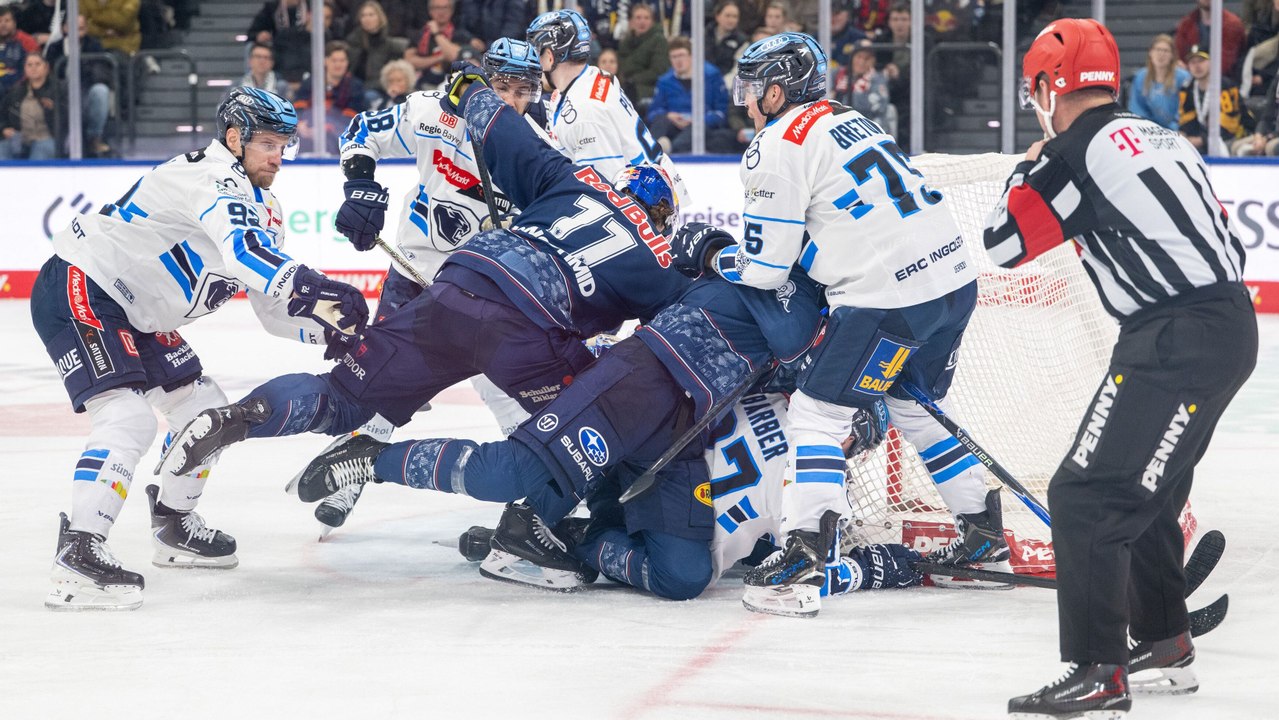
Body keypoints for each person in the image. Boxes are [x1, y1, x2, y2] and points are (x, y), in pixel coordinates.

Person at [156, 74, 692, 560]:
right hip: (526, 327)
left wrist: (472, 90)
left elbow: (494, 120)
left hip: (459, 282)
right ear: (662, 216)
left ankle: (237, 419)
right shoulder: (657, 257)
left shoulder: (569, 176)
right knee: (564, 433)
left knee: (346, 394)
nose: (520, 97)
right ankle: (529, 523)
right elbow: (679, 338)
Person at [669, 32, 1007, 617]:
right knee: (912, 407)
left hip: (891, 298)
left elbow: (766, 269)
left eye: (754, 89)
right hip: (954, 283)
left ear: (777, 90)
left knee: (817, 414)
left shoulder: (777, 144)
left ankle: (804, 553)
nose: (748, 102)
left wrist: (712, 253)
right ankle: (981, 532)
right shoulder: (850, 120)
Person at [990, 19, 1256, 717]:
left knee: (1084, 495)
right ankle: (1164, 640)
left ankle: (1097, 668)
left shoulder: (1072, 150)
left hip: (1172, 336)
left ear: (1049, 85)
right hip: (1225, 324)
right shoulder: (1165, 138)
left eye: (1035, 86)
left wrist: (1029, 161)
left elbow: (1001, 242)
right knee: (1150, 490)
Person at [32, 87, 369, 611]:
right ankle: (77, 552)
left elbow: (272, 310)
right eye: (266, 144)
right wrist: (314, 287)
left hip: (138, 310)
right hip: (85, 283)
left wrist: (334, 332)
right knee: (127, 421)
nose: (278, 157)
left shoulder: (265, 206)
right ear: (234, 139)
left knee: (207, 412)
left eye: (284, 144)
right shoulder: (209, 176)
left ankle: (172, 524)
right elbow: (243, 251)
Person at [311, 39, 550, 533]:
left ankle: (538, 493)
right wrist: (359, 187)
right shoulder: (432, 112)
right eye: (500, 87)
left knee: (505, 387)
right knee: (382, 378)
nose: (509, 101)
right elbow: (361, 132)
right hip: (416, 270)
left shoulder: (539, 146)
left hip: (485, 282)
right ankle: (349, 472)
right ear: (483, 82)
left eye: (521, 91)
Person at [526, 9, 689, 204]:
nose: (534, 63)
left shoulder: (585, 113)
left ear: (551, 56)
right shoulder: (595, 75)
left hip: (648, 205)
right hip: (657, 187)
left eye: (537, 53)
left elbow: (604, 196)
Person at [645, 36, 735, 153]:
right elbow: (652, 113)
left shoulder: (712, 76)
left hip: (702, 126)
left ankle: (671, 148)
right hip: (674, 125)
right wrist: (669, 115)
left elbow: (721, 113)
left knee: (693, 134)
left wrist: (698, 120)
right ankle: (652, 151)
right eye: (674, 57)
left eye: (681, 55)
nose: (678, 60)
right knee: (661, 121)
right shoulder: (664, 81)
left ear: (692, 56)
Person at [1178, 45, 1256, 154]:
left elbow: (1230, 125)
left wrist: (1202, 140)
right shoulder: (1187, 88)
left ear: (1211, 62)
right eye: (1193, 62)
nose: (1197, 66)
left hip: (1236, 137)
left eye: (1201, 61)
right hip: (1205, 139)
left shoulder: (1226, 86)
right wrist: (1186, 136)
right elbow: (1186, 119)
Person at [294, 41, 368, 153]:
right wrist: (300, 124)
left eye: (342, 60)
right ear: (325, 61)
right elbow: (298, 107)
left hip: (339, 135)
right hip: (307, 130)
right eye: (334, 60)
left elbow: (352, 118)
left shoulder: (355, 86)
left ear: (347, 62)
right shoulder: (310, 82)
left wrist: (327, 127)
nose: (338, 65)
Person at [344, 0, 409, 103]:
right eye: (363, 15)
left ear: (380, 17)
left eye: (371, 15)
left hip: (378, 88)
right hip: (354, 86)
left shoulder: (389, 44)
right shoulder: (353, 41)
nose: (367, 19)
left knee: (369, 97)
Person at [0, 53, 57, 160]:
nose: (33, 68)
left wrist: (53, 108)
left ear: (46, 67)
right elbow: (2, 115)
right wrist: (4, 129)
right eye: (29, 65)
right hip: (19, 139)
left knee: (41, 151)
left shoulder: (59, 89)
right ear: (25, 69)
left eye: (37, 64)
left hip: (47, 138)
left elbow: (69, 118)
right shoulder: (16, 91)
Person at [404, 0, 472, 90]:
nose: (441, 12)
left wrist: (437, 34)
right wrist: (439, 57)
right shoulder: (420, 33)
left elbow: (454, 56)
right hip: (422, 83)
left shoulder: (460, 34)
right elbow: (409, 60)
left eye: (445, 8)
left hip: (450, 84)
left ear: (452, 11)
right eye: (437, 8)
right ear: (430, 11)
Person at [1129, 34, 1191, 130]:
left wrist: (1174, 129)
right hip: (1150, 131)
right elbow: (1137, 108)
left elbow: (1186, 108)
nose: (1161, 54)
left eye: (1166, 51)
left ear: (1172, 55)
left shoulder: (1183, 77)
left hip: (1178, 130)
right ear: (1150, 52)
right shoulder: (1141, 76)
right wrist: (1149, 128)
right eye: (1157, 50)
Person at [1174, 0, 1246, 81]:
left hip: (1226, 83)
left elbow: (1225, 64)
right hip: (1192, 82)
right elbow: (1179, 57)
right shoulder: (1185, 25)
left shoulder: (1233, 24)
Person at [248, 0, 313, 84]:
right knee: (253, 48)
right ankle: (253, 81)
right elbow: (251, 34)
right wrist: (259, 35)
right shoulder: (272, 8)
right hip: (279, 47)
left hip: (304, 45)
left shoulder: (311, 6)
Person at [616, 3, 668, 107]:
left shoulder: (659, 40)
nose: (642, 21)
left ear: (652, 21)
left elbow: (659, 71)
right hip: (626, 86)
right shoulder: (625, 42)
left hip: (649, 88)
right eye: (638, 18)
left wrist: (633, 80)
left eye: (646, 18)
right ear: (631, 21)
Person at [834, 43, 893, 132]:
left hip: (870, 128)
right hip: (840, 126)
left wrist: (840, 98)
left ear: (873, 60)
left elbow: (878, 107)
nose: (861, 62)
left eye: (867, 58)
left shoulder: (878, 78)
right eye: (859, 57)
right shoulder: (837, 73)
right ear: (852, 58)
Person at [1238, 70, 1279, 155]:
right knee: (1238, 147)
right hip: (1272, 134)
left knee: (1271, 147)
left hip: (1273, 136)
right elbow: (1267, 115)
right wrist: (1258, 135)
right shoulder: (1277, 79)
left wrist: (1268, 138)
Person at [706, 0, 748, 76]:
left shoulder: (742, 41)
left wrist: (723, 84)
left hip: (726, 83)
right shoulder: (704, 34)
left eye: (735, 16)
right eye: (727, 15)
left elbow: (738, 68)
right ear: (717, 16)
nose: (731, 20)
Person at [0, 6, 35, 96]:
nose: (3, 25)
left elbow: (35, 67)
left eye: (7, 21)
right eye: (0, 21)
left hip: (19, 89)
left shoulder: (26, 41)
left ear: (14, 23)